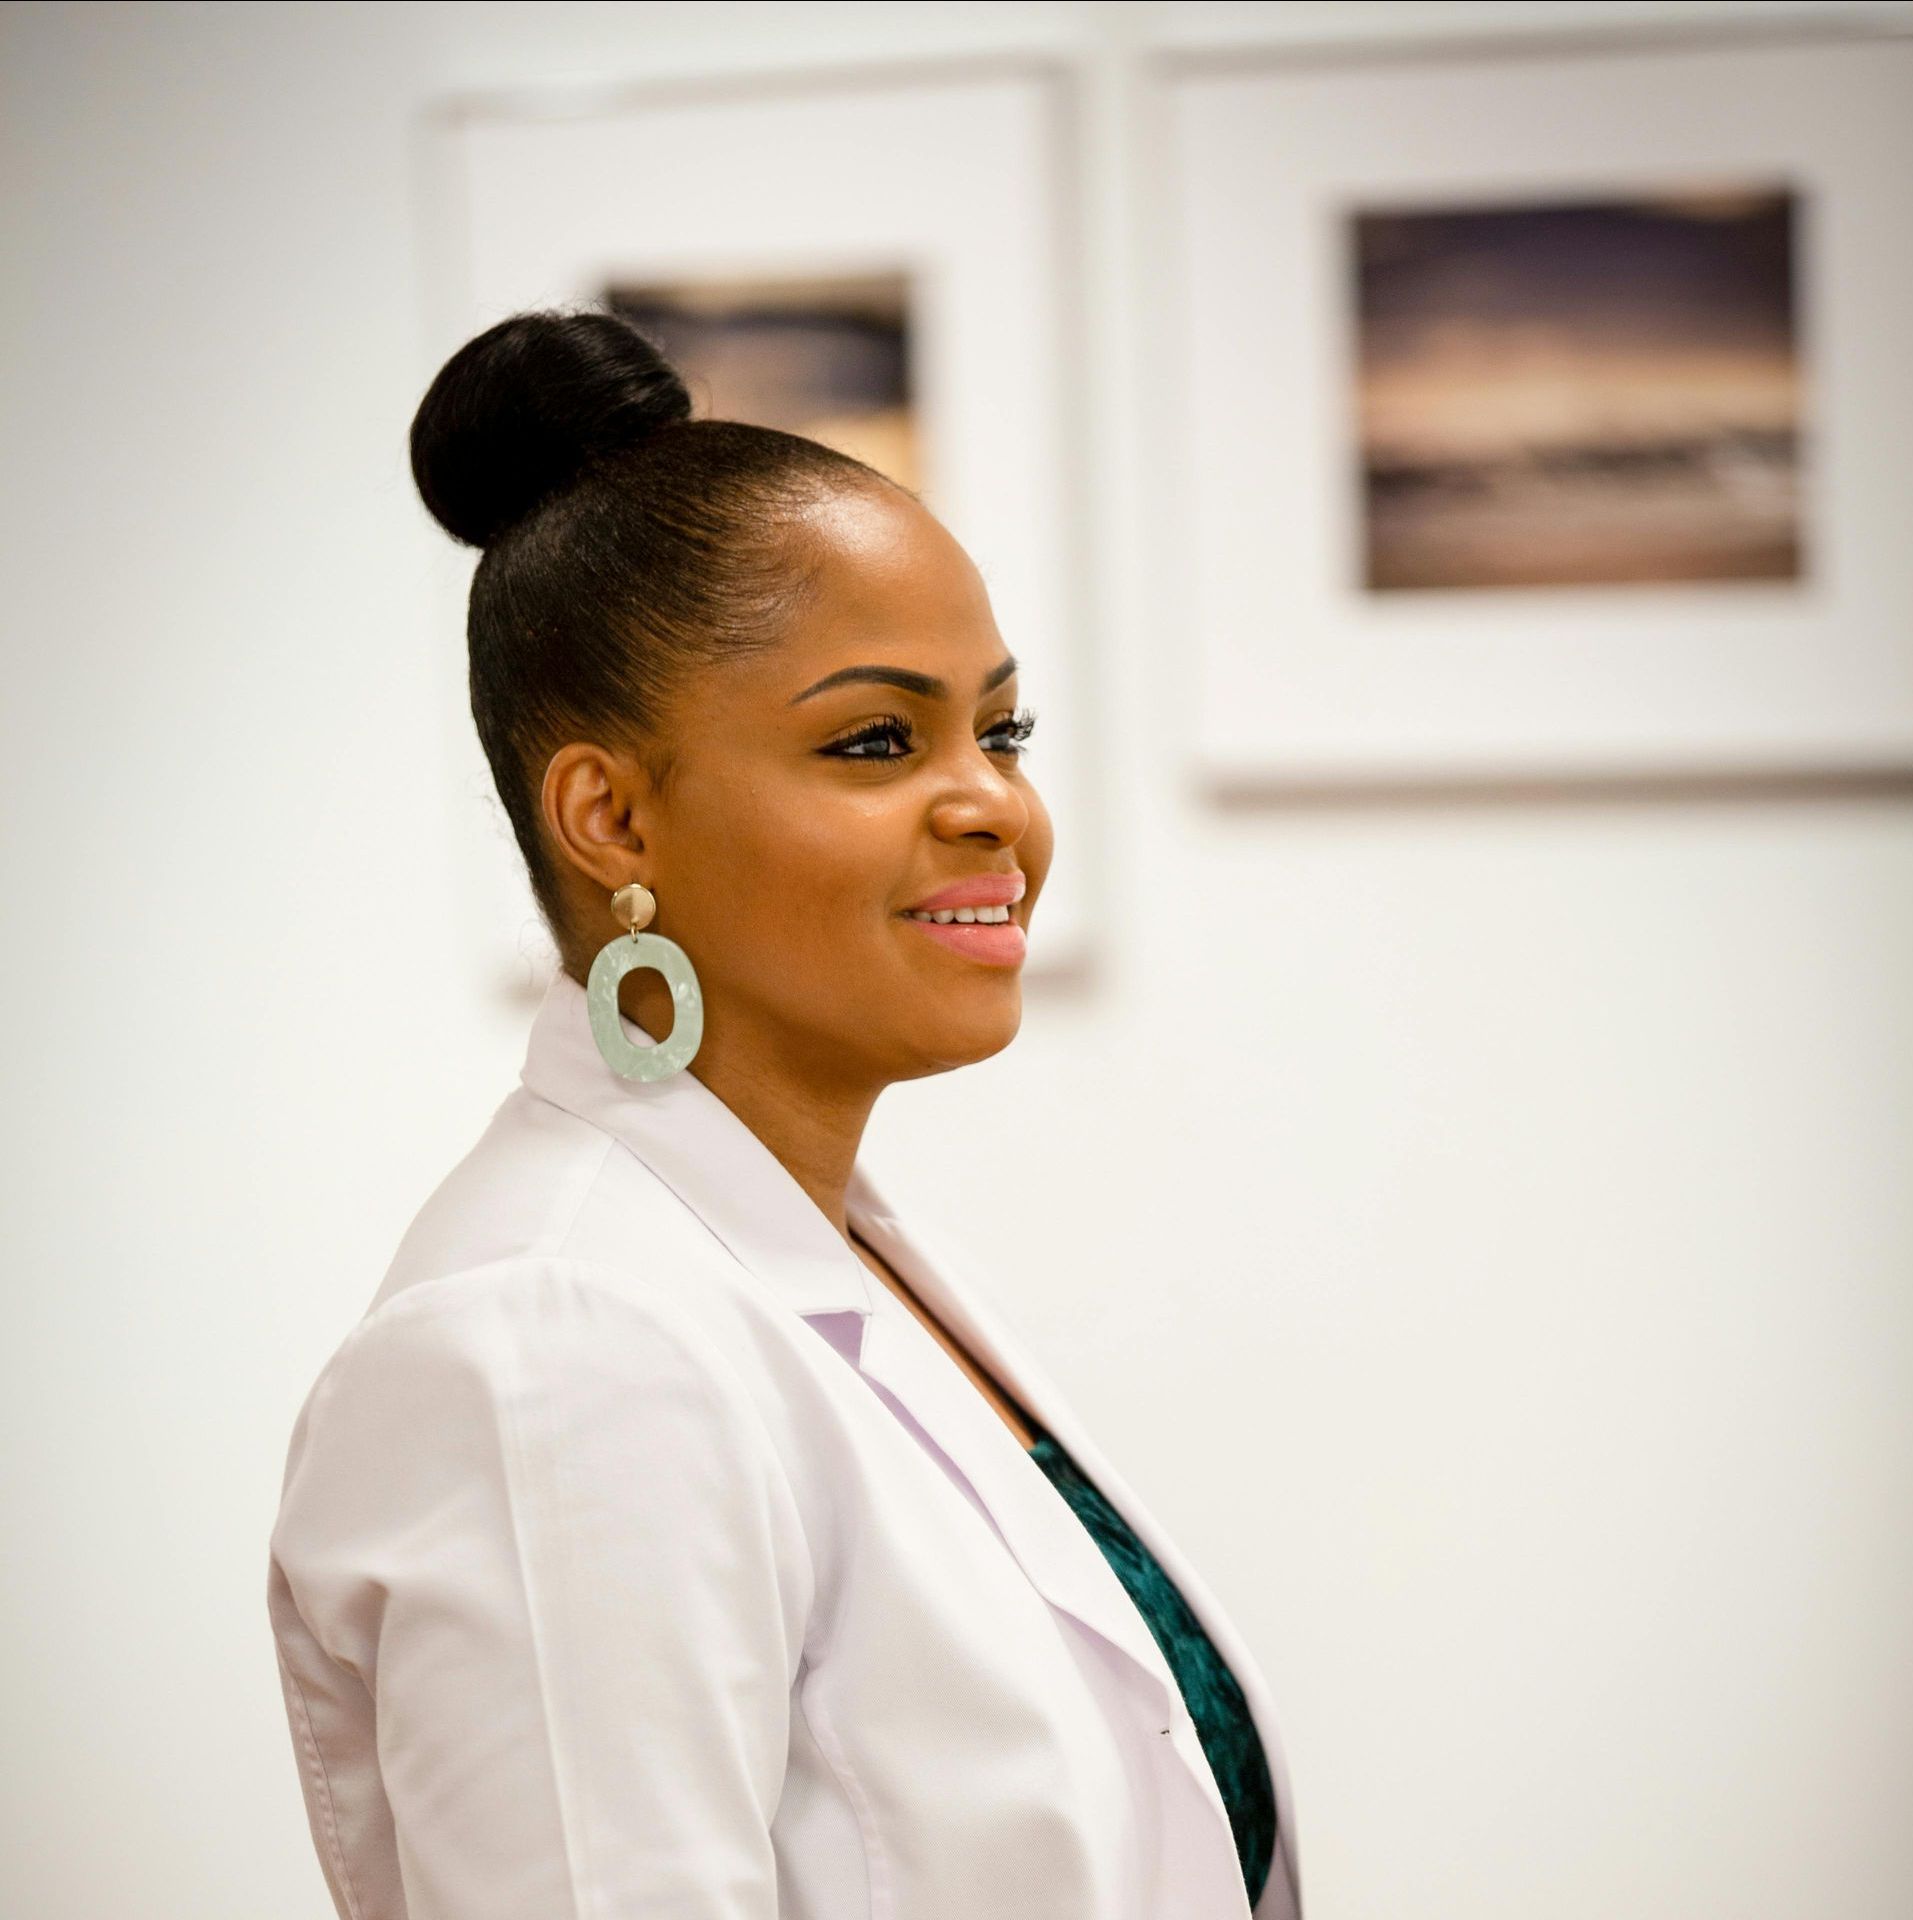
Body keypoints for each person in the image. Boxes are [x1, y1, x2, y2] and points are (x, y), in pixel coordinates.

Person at [265, 308, 1302, 1920]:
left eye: (1001, 729)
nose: (994, 805)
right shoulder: (552, 1349)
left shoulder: (840, 1255)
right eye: (878, 739)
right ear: (609, 814)